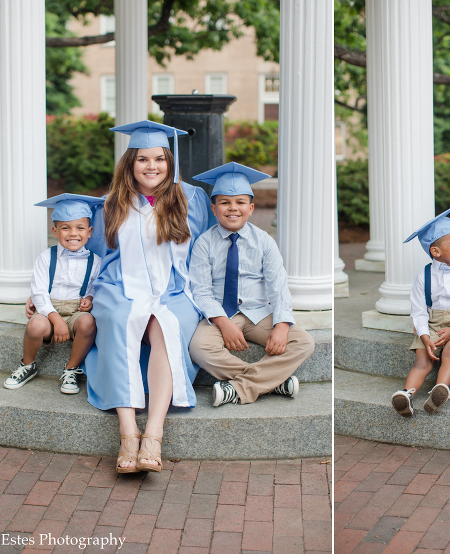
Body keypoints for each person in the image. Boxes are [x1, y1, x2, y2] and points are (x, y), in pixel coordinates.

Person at [83, 120, 213, 473]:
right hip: (120, 285)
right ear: (130, 163)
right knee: (118, 319)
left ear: (170, 162)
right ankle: (128, 433)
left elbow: (205, 252)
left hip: (175, 288)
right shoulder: (111, 203)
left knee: (165, 326)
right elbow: (97, 256)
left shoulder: (192, 198)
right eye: (142, 159)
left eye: (159, 158)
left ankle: (153, 433)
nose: (152, 166)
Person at [188, 162, 315, 407]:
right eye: (225, 202)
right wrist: (223, 323)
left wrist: (281, 325)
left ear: (251, 208)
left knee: (303, 342)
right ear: (214, 209)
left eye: (240, 202)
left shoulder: (264, 241)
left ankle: (239, 388)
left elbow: (278, 286)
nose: (232, 208)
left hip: (259, 313)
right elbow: (201, 291)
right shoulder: (205, 243)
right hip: (221, 314)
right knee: (199, 347)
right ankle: (274, 382)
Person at [5, 194, 103, 395]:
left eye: (80, 228)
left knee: (88, 323)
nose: (73, 233)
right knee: (35, 325)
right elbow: (39, 292)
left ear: (90, 231)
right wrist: (55, 319)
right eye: (65, 228)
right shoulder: (45, 257)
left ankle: (71, 369)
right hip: (49, 310)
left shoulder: (96, 261)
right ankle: (28, 365)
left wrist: (90, 298)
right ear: (55, 231)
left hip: (77, 311)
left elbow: (95, 286)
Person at [391, 206, 450, 417]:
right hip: (430, 324)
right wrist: (424, 336)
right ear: (436, 252)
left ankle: (439, 391)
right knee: (422, 360)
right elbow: (419, 310)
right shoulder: (424, 276)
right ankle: (406, 395)